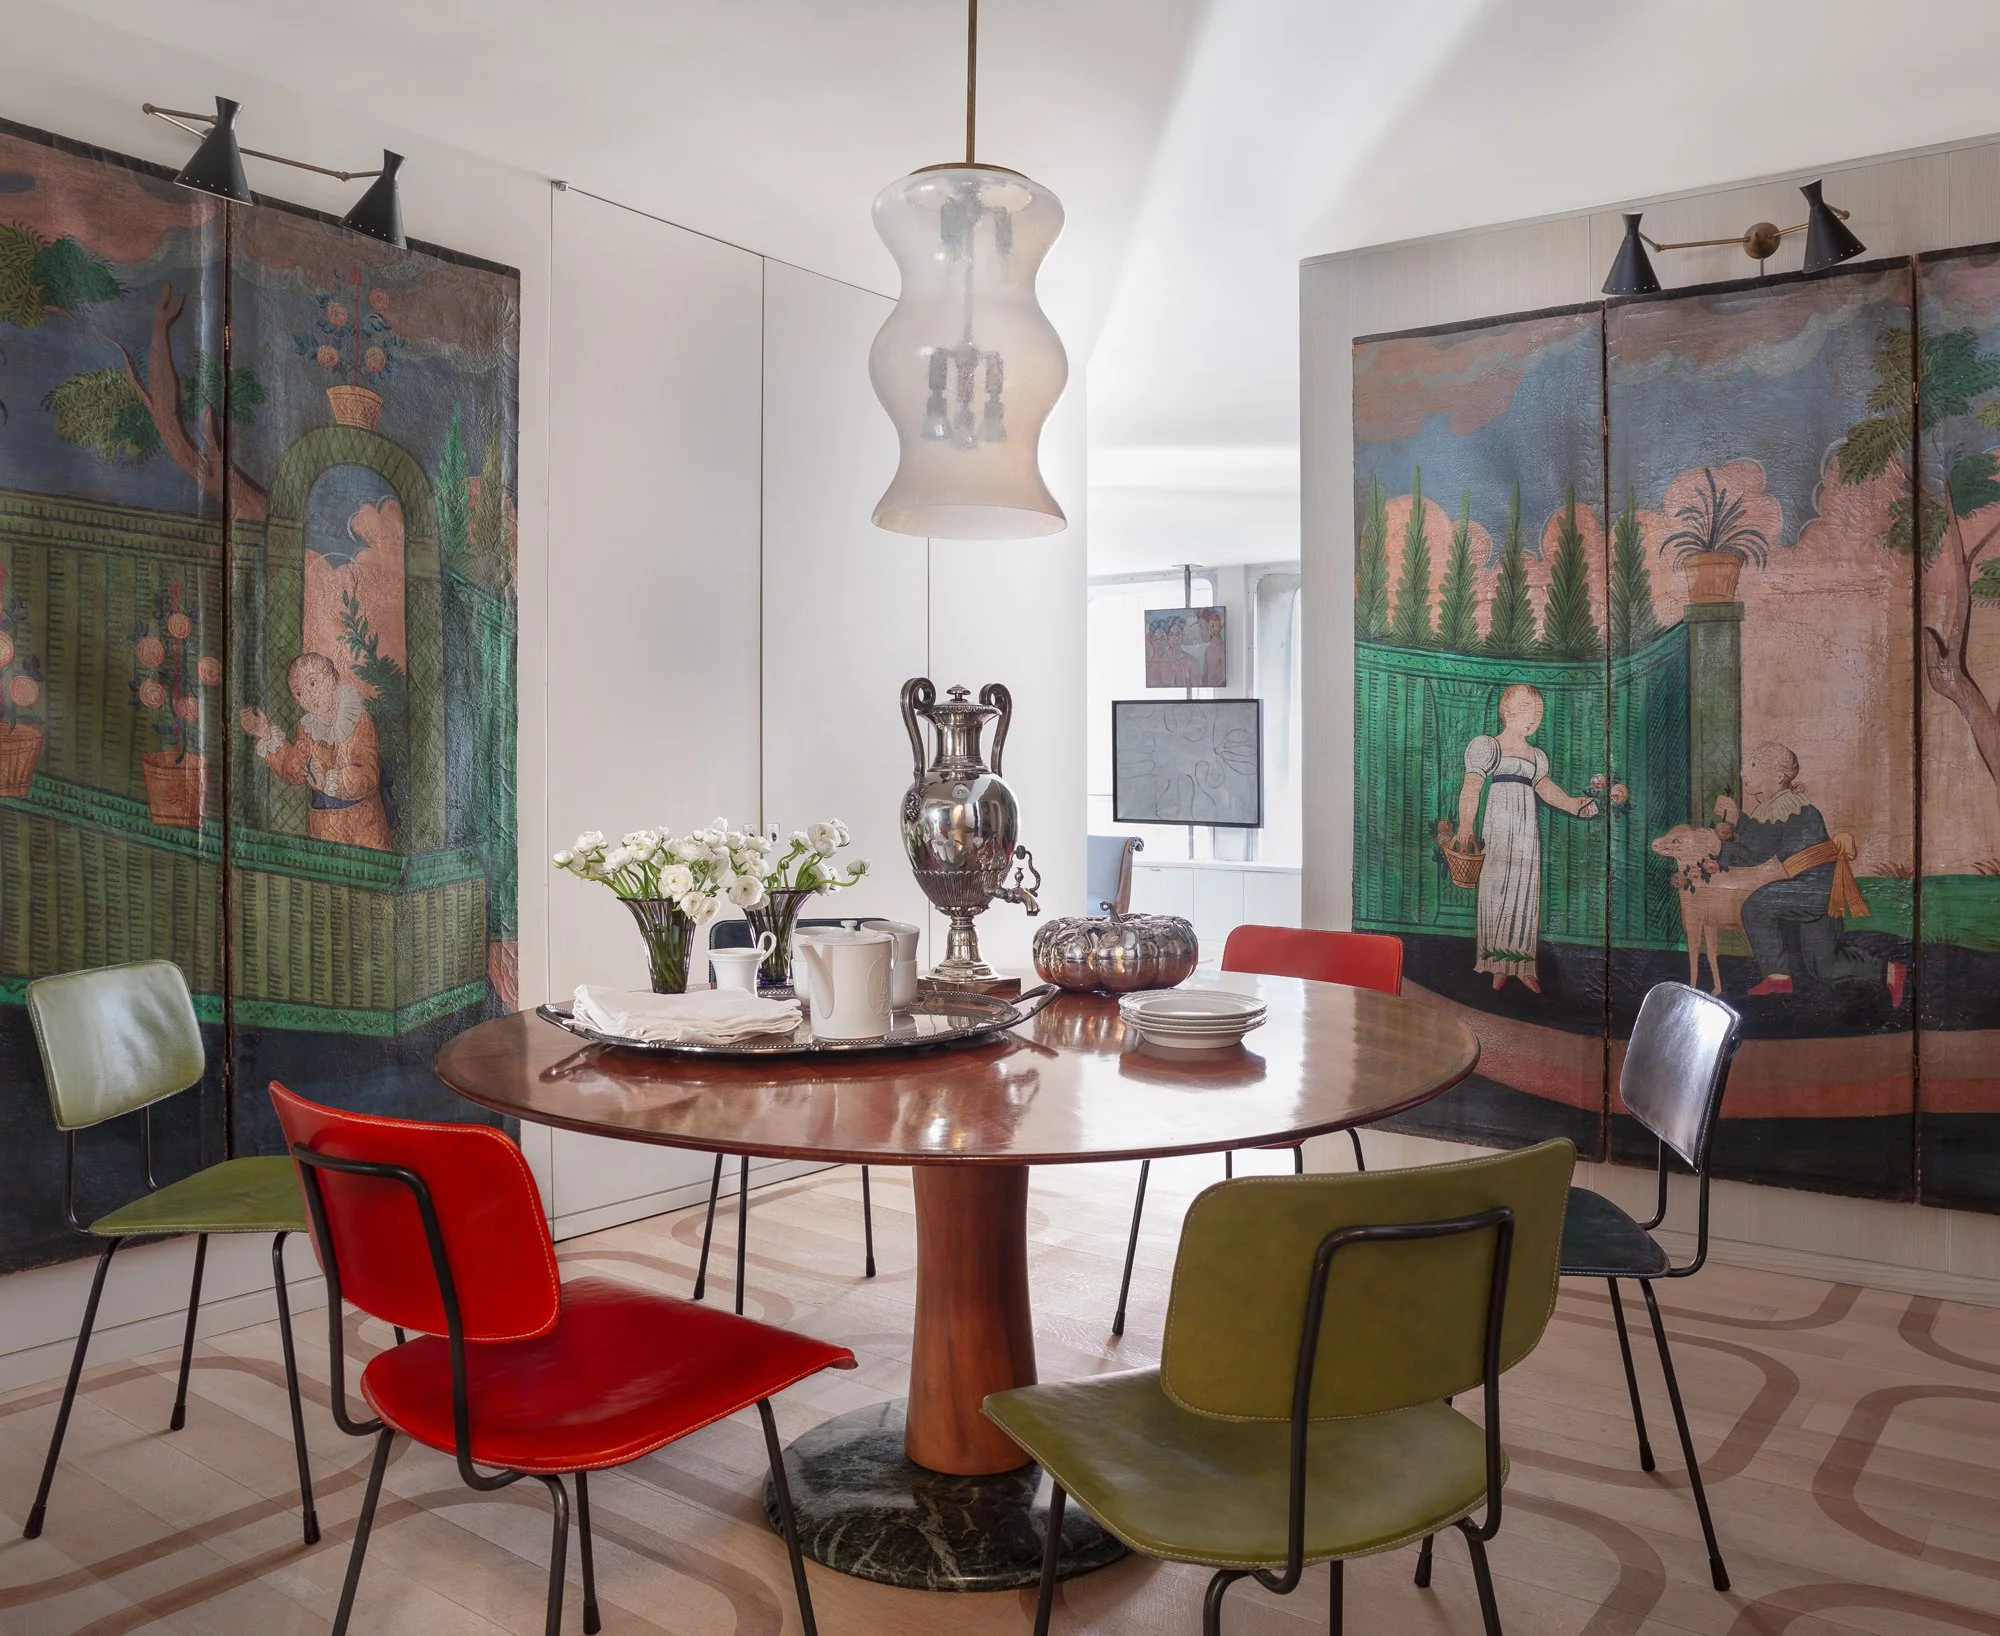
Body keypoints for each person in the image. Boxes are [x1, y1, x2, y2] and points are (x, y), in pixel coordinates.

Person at [1714, 742, 1903, 1005]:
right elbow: (1764, 836)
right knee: (1825, 967)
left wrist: (1716, 849)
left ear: (1778, 776)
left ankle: (1778, 978)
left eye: (1754, 766)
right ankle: (1890, 972)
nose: (1745, 772)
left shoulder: (1779, 807)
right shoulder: (1792, 805)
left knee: (1757, 907)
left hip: (1814, 888)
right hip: (1825, 887)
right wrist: (1737, 820)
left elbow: (1753, 852)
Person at [1446, 683, 1598, 993]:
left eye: (1538, 713)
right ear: (1506, 711)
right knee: (1497, 887)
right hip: (1498, 828)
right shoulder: (1488, 746)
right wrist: (1465, 827)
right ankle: (1497, 964)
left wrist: (1573, 804)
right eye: (1526, 710)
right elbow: (1472, 788)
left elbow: (1546, 788)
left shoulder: (1537, 756)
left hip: (1527, 830)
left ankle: (1521, 966)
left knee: (1524, 890)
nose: (1533, 719)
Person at [240, 652, 393, 851]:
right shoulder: (306, 728)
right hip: (324, 824)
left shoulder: (358, 719)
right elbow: (293, 768)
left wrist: (329, 779)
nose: (308, 697)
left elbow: (368, 775)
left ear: (331, 678)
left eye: (313, 683)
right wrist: (264, 732)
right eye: (299, 693)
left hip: (363, 823)